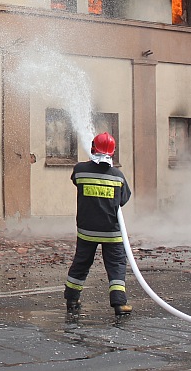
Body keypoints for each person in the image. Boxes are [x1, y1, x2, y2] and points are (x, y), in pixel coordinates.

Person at [63, 131, 133, 317]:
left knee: (81, 263)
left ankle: (72, 299)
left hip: (87, 231)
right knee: (116, 264)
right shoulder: (118, 176)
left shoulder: (80, 170)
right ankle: (119, 304)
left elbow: (75, 181)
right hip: (112, 232)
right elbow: (124, 199)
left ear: (93, 148)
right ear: (112, 152)